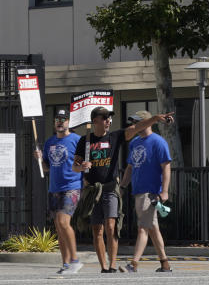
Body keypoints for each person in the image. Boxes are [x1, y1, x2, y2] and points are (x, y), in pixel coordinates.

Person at [73, 107, 143, 273]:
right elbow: (74, 166)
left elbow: (135, 128)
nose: (108, 121)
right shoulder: (85, 140)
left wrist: (155, 118)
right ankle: (103, 266)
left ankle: (112, 264)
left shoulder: (115, 136)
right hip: (92, 191)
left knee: (111, 226)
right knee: (97, 230)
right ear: (95, 121)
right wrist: (81, 166)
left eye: (109, 118)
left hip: (110, 188)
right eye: (104, 118)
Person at [121, 111, 174, 274]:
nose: (133, 125)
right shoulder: (134, 142)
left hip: (150, 191)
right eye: (132, 122)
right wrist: (122, 187)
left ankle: (133, 264)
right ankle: (165, 263)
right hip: (138, 190)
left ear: (147, 122)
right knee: (152, 228)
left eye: (136, 122)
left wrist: (164, 191)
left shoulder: (158, 142)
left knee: (143, 228)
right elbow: (130, 167)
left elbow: (166, 167)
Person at [34, 108, 83, 275]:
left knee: (63, 222)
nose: (60, 122)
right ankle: (66, 263)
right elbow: (47, 168)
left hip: (72, 187)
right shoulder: (49, 142)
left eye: (64, 119)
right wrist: (39, 160)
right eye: (57, 119)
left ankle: (75, 259)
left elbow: (84, 162)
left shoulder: (77, 140)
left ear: (69, 122)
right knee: (59, 227)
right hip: (54, 188)